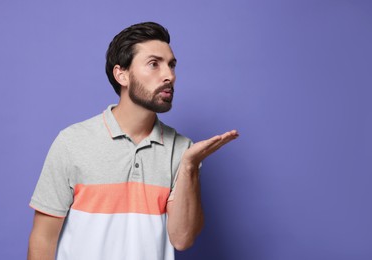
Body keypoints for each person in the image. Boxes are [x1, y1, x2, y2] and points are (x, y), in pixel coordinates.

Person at [27, 21, 239, 260]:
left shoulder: (182, 149)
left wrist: (189, 166)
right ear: (122, 74)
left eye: (171, 65)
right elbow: (43, 239)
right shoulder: (71, 142)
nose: (169, 75)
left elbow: (182, 238)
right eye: (153, 64)